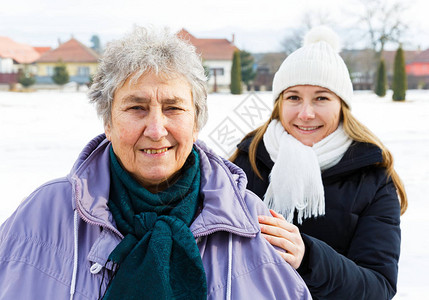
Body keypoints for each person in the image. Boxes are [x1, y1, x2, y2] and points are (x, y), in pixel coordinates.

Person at [0, 26, 311, 300]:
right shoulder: (41, 215)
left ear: (196, 121)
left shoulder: (251, 223)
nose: (156, 129)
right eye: (137, 107)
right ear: (108, 122)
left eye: (173, 108)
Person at [230, 26, 407, 300]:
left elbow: (378, 287)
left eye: (321, 98)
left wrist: (310, 257)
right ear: (279, 104)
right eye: (293, 97)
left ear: (342, 105)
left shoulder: (372, 178)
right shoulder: (246, 161)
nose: (306, 113)